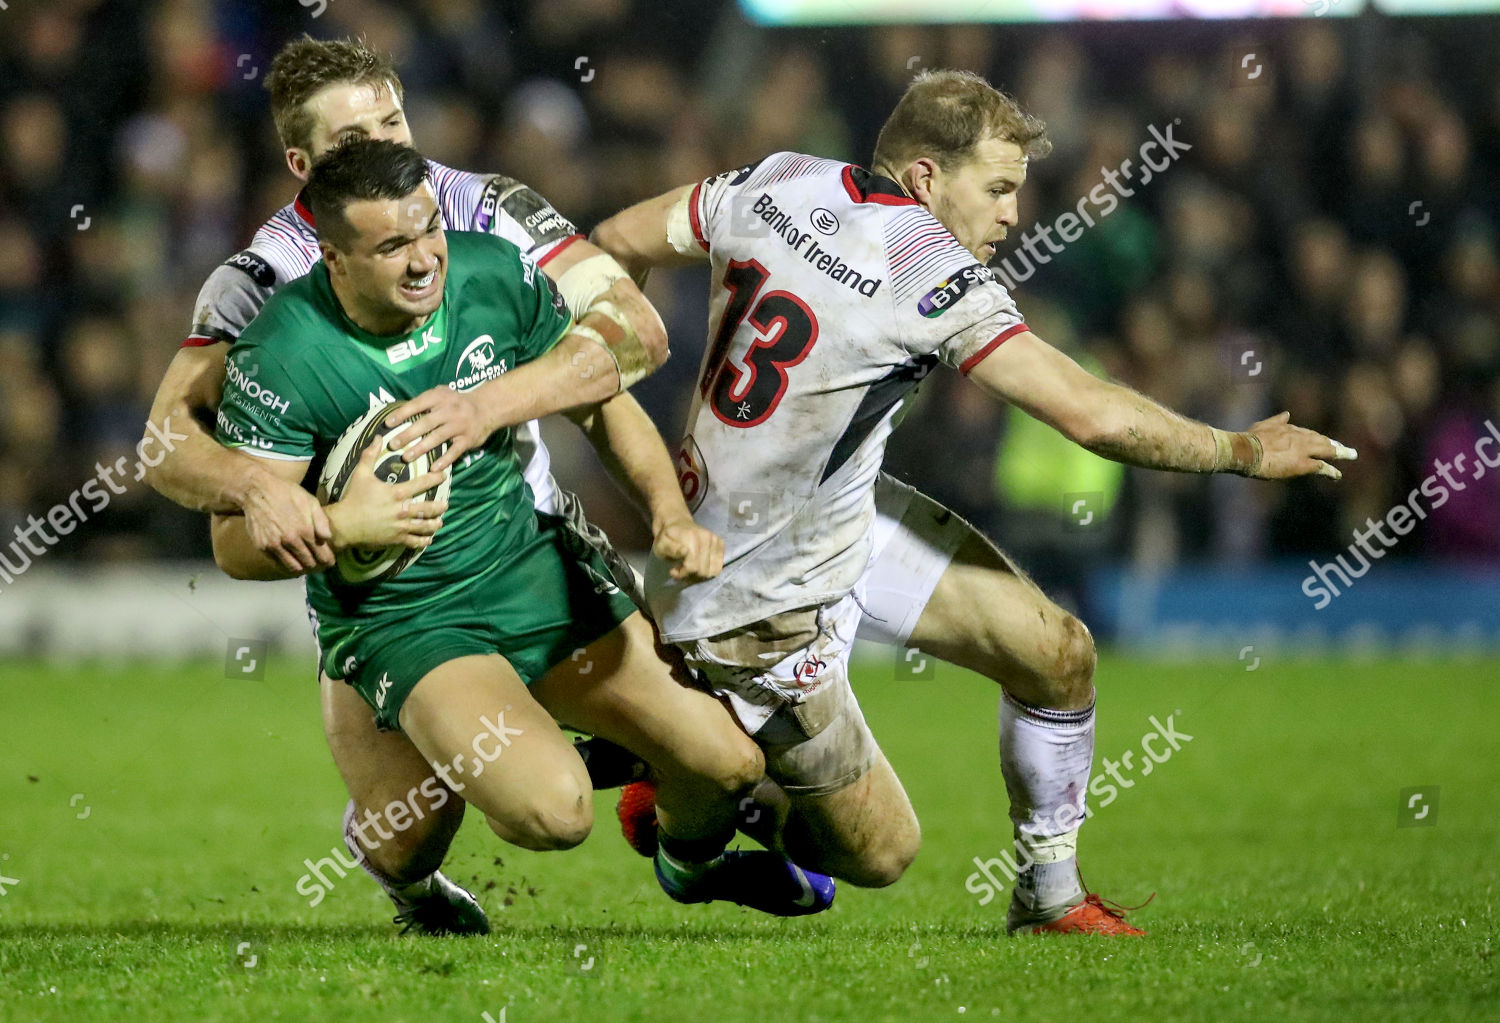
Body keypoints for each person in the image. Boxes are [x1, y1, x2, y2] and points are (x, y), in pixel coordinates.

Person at [589, 69, 1357, 935]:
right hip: (753, 598)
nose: (1013, 215)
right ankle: (692, 806)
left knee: (1058, 654)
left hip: (842, 519)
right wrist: (1243, 450)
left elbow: (615, 240)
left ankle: (1048, 896)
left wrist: (618, 389)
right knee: (881, 855)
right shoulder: (927, 272)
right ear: (925, 178)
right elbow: (1092, 415)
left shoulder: (781, 178)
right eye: (997, 188)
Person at [209, 139, 837, 925]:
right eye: (392, 245)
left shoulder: (489, 273)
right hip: (410, 618)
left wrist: (669, 515)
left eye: (428, 229)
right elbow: (232, 545)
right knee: (550, 814)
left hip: (531, 568)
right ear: (332, 258)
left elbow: (602, 400)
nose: (422, 260)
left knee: (729, 765)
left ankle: (687, 865)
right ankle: (421, 869)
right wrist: (342, 523)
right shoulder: (284, 354)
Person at [141, 37, 662, 933]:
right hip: (389, 577)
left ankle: (680, 832)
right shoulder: (260, 278)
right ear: (303, 166)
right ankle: (415, 862)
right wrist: (260, 488)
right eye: (359, 133)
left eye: (395, 118)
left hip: (527, 529)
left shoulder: (488, 206)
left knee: (707, 741)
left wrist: (489, 407)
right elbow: (165, 440)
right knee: (413, 829)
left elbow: (632, 328)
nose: (393, 141)